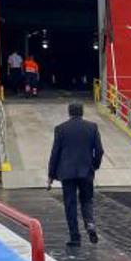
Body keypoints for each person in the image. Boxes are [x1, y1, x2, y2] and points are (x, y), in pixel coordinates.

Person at [47, 102, 105, 248]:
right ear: (82, 112)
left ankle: (75, 238)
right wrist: (94, 166)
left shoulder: (60, 129)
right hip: (86, 171)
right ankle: (90, 224)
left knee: (70, 204)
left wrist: (51, 175)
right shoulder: (92, 127)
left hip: (67, 173)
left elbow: (55, 153)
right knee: (87, 200)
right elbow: (99, 151)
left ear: (69, 113)